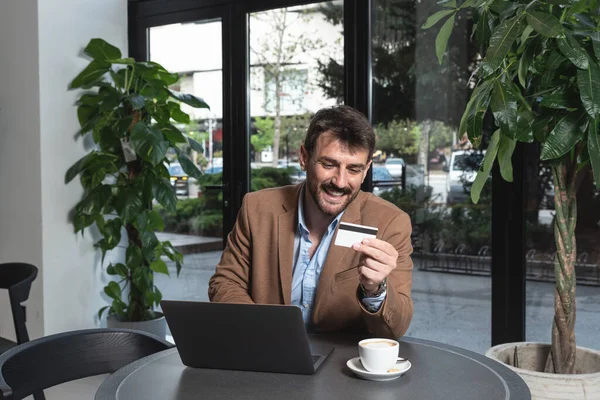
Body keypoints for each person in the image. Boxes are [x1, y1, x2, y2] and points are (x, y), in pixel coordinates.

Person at [208, 105, 413, 339]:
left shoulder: (390, 223)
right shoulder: (257, 208)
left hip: (343, 368)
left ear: (366, 170)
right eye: (328, 165)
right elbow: (225, 283)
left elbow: (396, 328)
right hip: (266, 355)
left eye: (354, 169)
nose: (340, 181)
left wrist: (376, 290)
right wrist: (261, 334)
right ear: (304, 158)